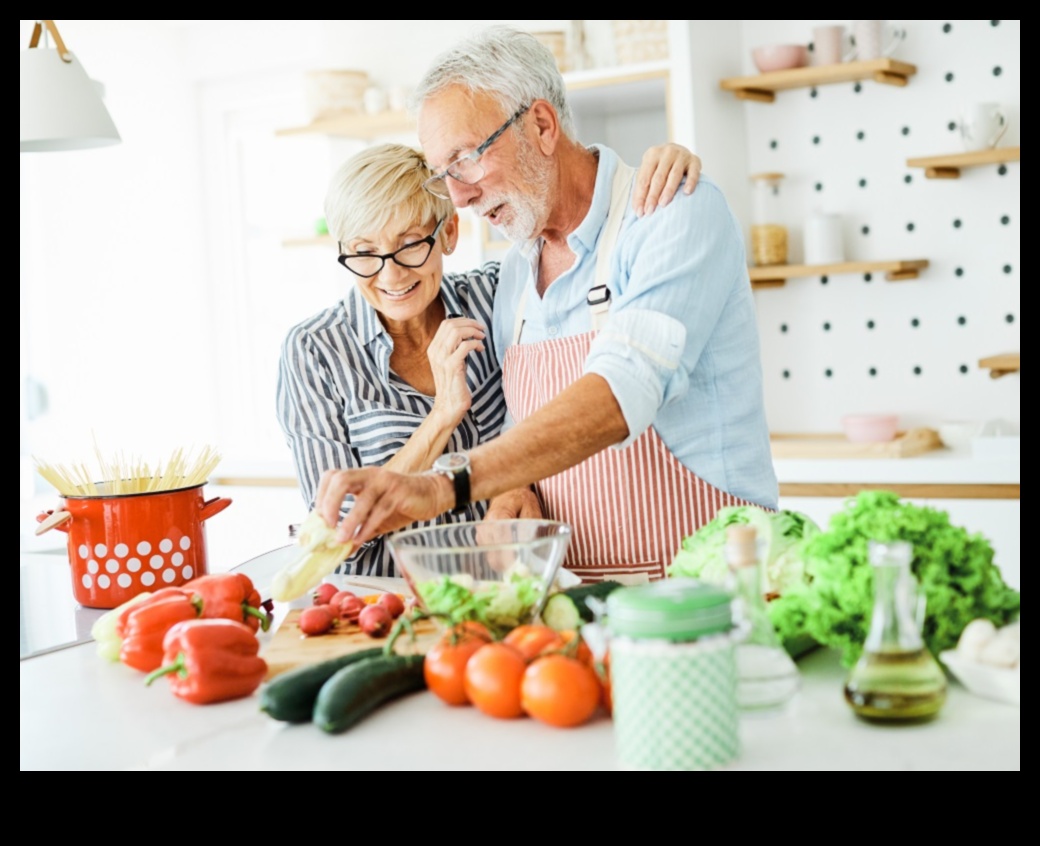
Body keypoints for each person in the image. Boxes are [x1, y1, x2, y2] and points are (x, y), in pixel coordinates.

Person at [315, 25, 779, 583]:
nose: (458, 197)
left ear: (540, 124)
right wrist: (516, 486)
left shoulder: (671, 214)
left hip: (713, 586)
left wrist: (447, 483)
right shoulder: (515, 274)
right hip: (576, 603)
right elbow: (527, 424)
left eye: (465, 160)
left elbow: (621, 392)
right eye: (444, 175)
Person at [277, 140, 702, 576]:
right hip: (381, 605)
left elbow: (591, 253)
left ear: (448, 235)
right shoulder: (315, 351)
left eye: (408, 245)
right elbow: (333, 533)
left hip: (505, 595)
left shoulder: (498, 292)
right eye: (364, 252)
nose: (391, 274)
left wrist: (647, 174)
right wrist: (443, 413)